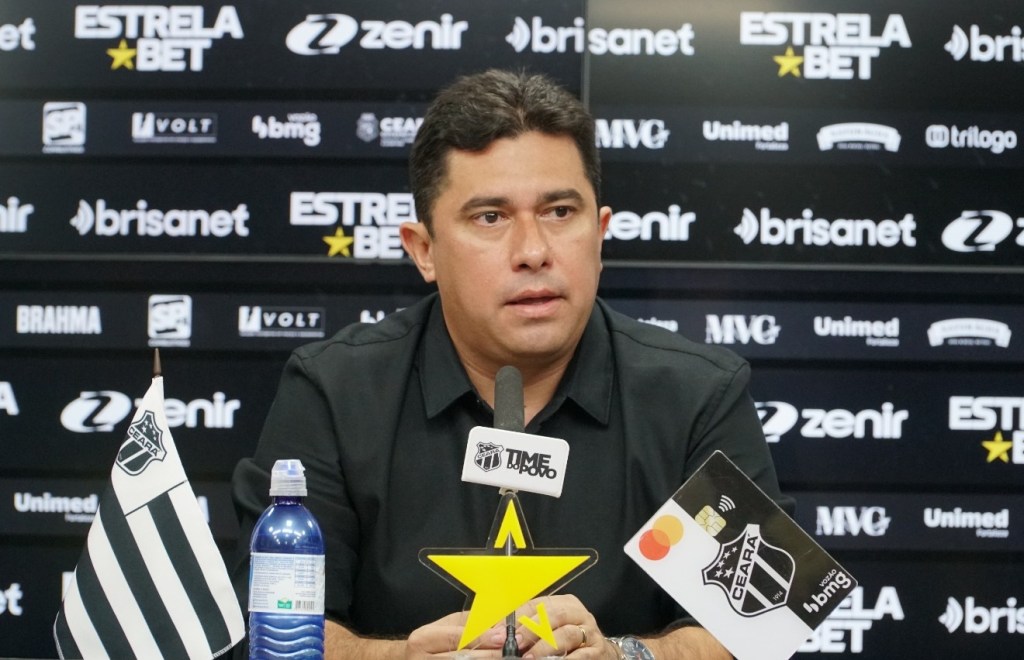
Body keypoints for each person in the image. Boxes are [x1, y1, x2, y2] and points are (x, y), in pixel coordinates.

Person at [231, 69, 792, 659]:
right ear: (424, 250)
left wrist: (626, 656)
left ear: (600, 233)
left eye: (559, 211)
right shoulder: (333, 390)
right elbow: (272, 627)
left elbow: (757, 627)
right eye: (490, 217)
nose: (533, 251)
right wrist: (397, 659)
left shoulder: (698, 394)